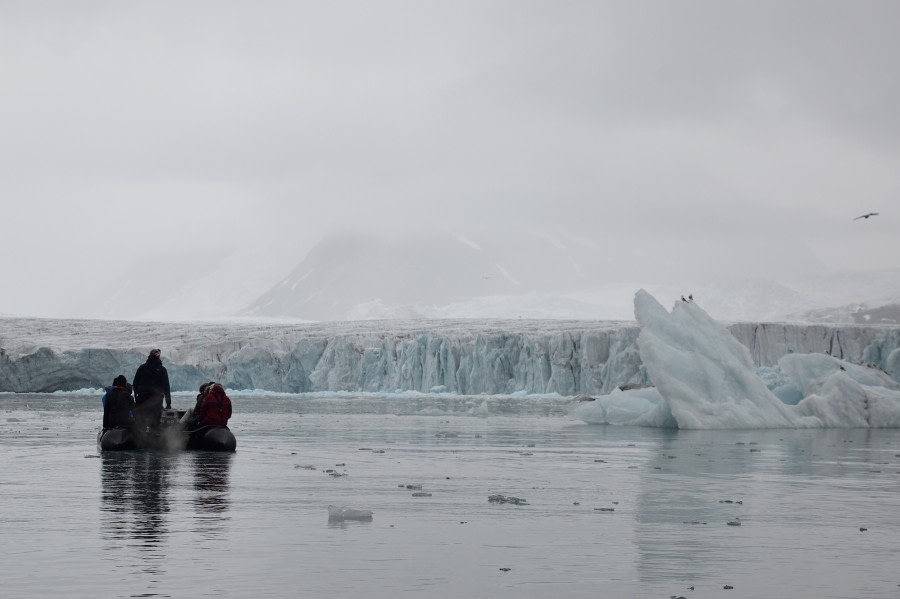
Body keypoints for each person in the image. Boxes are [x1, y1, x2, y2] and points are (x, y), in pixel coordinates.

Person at [132, 349, 172, 430]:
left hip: (142, 398)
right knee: (155, 422)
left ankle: (140, 438)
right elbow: (166, 387)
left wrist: (136, 398)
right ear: (158, 356)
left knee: (141, 420)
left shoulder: (142, 368)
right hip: (156, 400)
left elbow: (135, 383)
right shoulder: (162, 369)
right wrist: (168, 403)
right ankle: (154, 438)